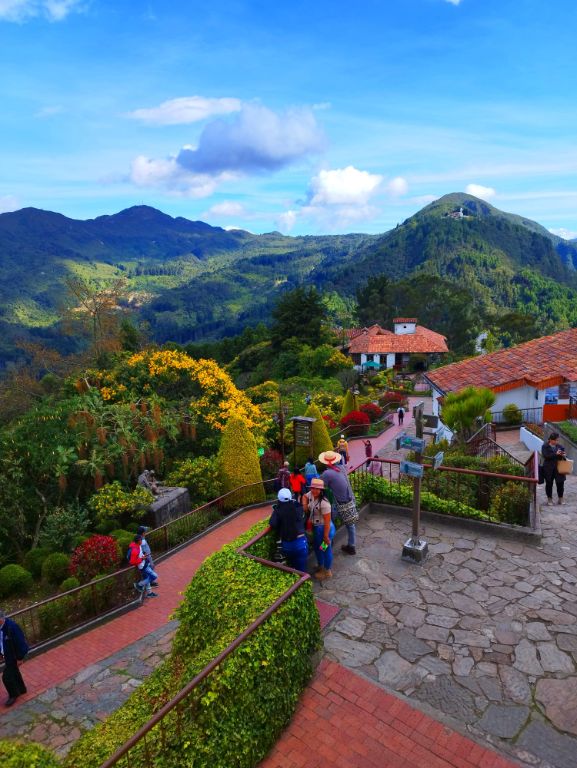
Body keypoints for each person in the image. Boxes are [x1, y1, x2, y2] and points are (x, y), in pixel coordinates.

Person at [319, 450, 359, 556]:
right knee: (350, 525)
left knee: (329, 526)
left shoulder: (327, 473)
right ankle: (351, 546)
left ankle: (324, 549)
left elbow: (319, 487)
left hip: (337, 505)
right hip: (348, 501)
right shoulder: (341, 468)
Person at [267, 488, 309, 572]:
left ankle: (324, 569)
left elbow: (273, 523)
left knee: (294, 568)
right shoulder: (298, 507)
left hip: (287, 545)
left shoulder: (278, 511)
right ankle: (323, 568)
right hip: (301, 543)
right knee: (302, 569)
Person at [302, 478, 335, 580]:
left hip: (325, 529)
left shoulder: (324, 504)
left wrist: (326, 536)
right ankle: (321, 566)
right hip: (317, 528)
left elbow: (327, 522)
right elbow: (304, 496)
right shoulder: (311, 495)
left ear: (321, 490)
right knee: (318, 548)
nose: (315, 490)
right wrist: (304, 505)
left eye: (317, 489)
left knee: (325, 549)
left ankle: (327, 571)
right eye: (313, 488)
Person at [0, 610, 28, 707]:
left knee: (6, 677)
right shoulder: (2, 627)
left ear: (1, 619)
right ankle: (22, 689)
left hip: (14, 656)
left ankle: (13, 695)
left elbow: (21, 643)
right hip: (7, 656)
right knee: (14, 672)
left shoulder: (12, 627)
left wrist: (20, 658)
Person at [541, 432, 567, 506]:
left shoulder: (560, 446)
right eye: (555, 440)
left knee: (560, 483)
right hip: (548, 468)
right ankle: (549, 499)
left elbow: (562, 456)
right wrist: (556, 454)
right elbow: (546, 456)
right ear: (551, 440)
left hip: (558, 468)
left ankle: (560, 498)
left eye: (557, 440)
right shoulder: (545, 446)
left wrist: (563, 455)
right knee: (549, 484)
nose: (557, 442)